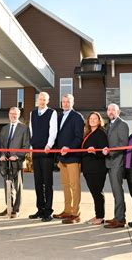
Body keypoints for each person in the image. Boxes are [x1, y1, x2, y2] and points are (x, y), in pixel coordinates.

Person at [53, 94, 85, 224]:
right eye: (63, 102)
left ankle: (75, 213)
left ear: (72, 102)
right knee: (65, 185)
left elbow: (79, 137)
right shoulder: (59, 117)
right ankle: (67, 210)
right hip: (62, 158)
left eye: (68, 102)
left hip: (72, 157)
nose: (65, 104)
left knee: (74, 186)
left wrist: (69, 148)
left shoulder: (77, 117)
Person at [28, 92, 58, 222]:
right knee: (38, 182)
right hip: (35, 150)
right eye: (40, 99)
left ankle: (48, 211)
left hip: (46, 151)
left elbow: (53, 130)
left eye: (44, 99)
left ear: (48, 100)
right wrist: (30, 146)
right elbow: (31, 130)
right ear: (37, 100)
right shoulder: (32, 113)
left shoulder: (52, 113)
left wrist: (49, 145)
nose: (42, 101)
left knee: (47, 182)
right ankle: (40, 209)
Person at [0, 107, 30, 218]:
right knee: (7, 186)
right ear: (8, 114)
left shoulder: (24, 128)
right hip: (5, 162)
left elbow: (26, 146)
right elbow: (1, 144)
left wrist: (17, 156)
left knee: (18, 186)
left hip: (18, 162)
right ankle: (9, 207)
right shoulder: (4, 128)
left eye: (15, 114)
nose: (13, 116)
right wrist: (2, 155)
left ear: (19, 114)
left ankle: (16, 209)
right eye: (11, 114)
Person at [102, 103, 129, 228]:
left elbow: (123, 144)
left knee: (117, 191)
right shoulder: (108, 125)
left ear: (118, 112)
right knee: (114, 191)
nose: (111, 111)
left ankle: (120, 219)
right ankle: (117, 216)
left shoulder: (122, 124)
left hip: (117, 163)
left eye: (113, 109)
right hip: (108, 162)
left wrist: (110, 151)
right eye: (109, 109)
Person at [82, 112, 109, 225]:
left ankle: (100, 217)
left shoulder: (100, 133)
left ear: (99, 121)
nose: (92, 120)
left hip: (97, 169)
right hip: (88, 168)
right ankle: (97, 215)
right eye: (91, 118)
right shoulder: (88, 133)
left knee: (97, 193)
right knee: (94, 193)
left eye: (95, 118)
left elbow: (104, 152)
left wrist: (94, 152)